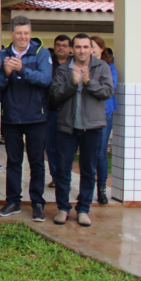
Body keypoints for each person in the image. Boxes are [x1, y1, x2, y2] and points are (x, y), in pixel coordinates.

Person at [50, 34, 114, 227]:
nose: (82, 51)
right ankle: (63, 208)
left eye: (86, 47)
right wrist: (72, 83)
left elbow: (107, 91)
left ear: (91, 49)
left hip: (92, 127)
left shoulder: (101, 67)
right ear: (72, 49)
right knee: (63, 170)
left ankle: (83, 209)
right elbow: (54, 96)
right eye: (78, 47)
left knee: (88, 170)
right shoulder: (63, 69)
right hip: (67, 127)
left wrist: (88, 81)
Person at [0, 15, 52, 222]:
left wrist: (22, 70)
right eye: (19, 33)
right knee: (13, 162)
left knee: (36, 162)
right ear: (11, 34)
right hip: (11, 117)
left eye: (26, 33)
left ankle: (37, 203)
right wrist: (6, 73)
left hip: (36, 117)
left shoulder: (42, 53)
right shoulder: (2, 55)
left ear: (30, 33)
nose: (23, 37)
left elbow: (45, 79)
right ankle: (13, 201)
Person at [90, 35, 118, 205]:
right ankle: (87, 188)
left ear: (101, 49)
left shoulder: (109, 67)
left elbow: (110, 88)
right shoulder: (83, 66)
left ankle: (101, 189)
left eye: (94, 46)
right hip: (87, 114)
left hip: (104, 114)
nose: (91, 49)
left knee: (100, 153)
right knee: (88, 153)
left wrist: (89, 82)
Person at [47, 35, 72, 188]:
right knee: (51, 147)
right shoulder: (48, 64)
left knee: (66, 148)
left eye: (64, 45)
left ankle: (65, 177)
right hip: (51, 111)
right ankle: (55, 177)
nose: (61, 48)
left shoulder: (74, 65)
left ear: (70, 48)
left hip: (69, 112)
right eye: (58, 45)